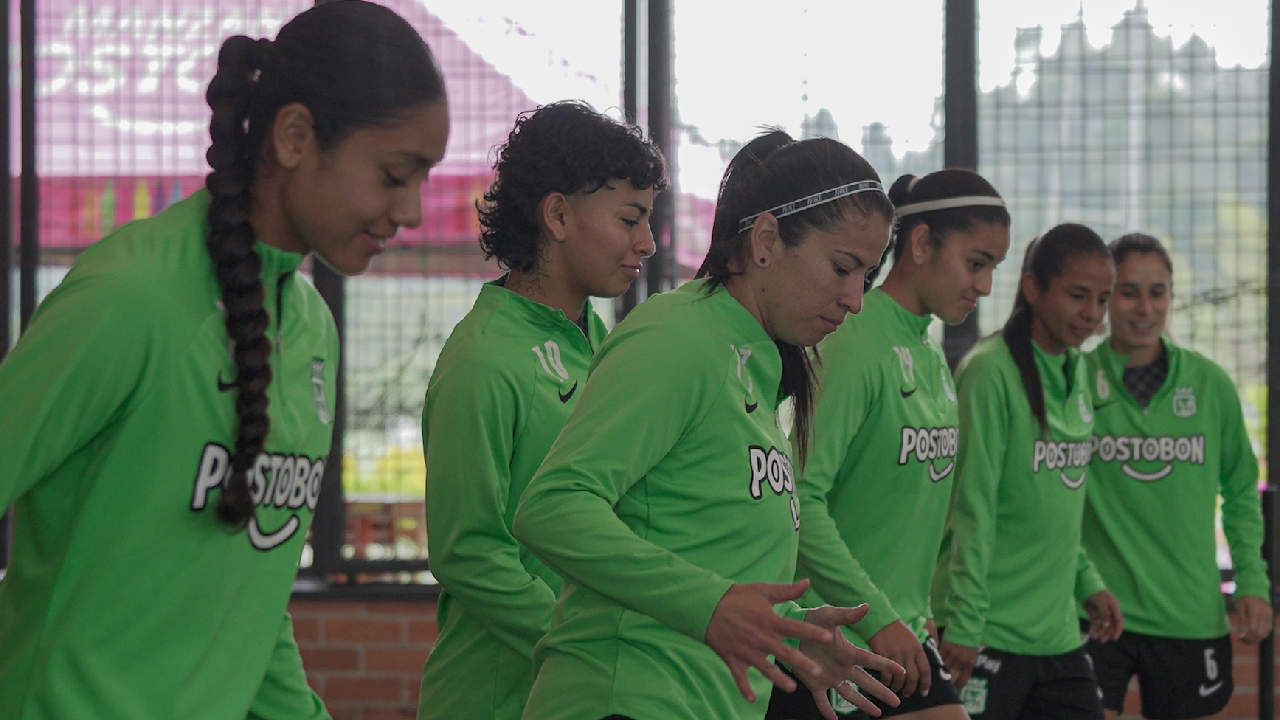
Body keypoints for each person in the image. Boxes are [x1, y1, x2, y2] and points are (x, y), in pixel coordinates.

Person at [0, 2, 448, 718]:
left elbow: (250, 603)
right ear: (295, 136)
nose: (415, 210)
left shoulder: (311, 332)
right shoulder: (132, 298)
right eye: (396, 174)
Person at [511, 130, 907, 720]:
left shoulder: (755, 361)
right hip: (625, 698)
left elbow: (705, 553)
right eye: (842, 267)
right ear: (767, 240)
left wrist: (790, 635)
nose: (854, 299)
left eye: (866, 276)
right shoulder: (680, 336)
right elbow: (552, 507)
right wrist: (715, 605)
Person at [417, 100, 666, 720]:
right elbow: (469, 553)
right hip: (498, 695)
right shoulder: (483, 359)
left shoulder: (601, 342)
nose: (649, 242)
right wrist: (581, 645)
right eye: (630, 218)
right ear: (557, 214)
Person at [766, 170, 1011, 720]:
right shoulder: (854, 339)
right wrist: (879, 617)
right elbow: (800, 499)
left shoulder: (928, 354)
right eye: (976, 263)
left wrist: (911, 611)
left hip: (898, 628)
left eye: (995, 267)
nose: (987, 285)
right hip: (830, 638)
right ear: (921, 243)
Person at [933, 224, 1125, 720]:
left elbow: (1055, 503)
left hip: (1057, 633)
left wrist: (1088, 582)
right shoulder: (990, 372)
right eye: (1078, 295)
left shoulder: (1076, 371)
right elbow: (971, 511)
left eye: (1102, 300)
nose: (1092, 314)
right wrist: (966, 625)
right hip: (988, 631)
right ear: (1034, 288)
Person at [1081, 233, 1273, 720]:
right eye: (1129, 291)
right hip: (1096, 613)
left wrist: (1252, 580)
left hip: (1188, 615)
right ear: (1106, 297)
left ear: (1171, 296)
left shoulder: (1209, 385)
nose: (1145, 307)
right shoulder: (1074, 380)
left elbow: (1241, 491)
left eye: (1158, 291)